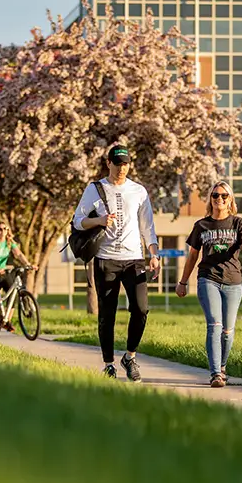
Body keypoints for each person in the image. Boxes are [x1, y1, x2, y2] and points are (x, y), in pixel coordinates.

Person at [72, 143, 160, 381]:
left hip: (133, 259)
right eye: (117, 163)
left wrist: (153, 253)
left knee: (141, 308)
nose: (122, 168)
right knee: (107, 315)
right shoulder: (95, 189)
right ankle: (109, 364)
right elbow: (78, 221)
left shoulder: (139, 191)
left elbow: (147, 227)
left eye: (126, 164)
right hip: (105, 260)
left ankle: (129, 357)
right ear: (108, 163)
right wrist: (99, 220)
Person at [175, 182, 242, 388]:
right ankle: (215, 374)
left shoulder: (238, 223)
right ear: (210, 199)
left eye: (224, 196)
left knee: (228, 331)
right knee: (215, 325)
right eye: (215, 196)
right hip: (208, 278)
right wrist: (182, 282)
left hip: (233, 281)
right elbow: (193, 256)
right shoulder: (201, 225)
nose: (219, 199)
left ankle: (222, 366)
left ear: (230, 200)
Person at [0, 222, 33, 329]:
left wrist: (28, 264)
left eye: (5, 229)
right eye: (0, 229)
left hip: (2, 270)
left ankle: (7, 321)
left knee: (11, 292)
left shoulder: (9, 242)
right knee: (0, 276)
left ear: (7, 230)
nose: (2, 231)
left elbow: (18, 254)